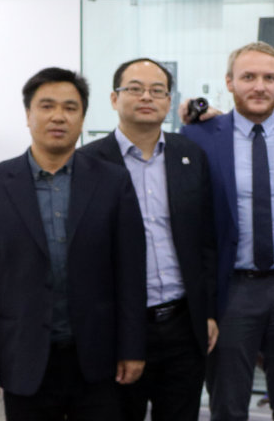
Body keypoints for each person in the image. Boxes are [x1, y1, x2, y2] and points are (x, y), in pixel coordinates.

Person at [0, 67, 146, 420]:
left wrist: (132, 347)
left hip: (98, 358)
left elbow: (131, 273)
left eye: (70, 107)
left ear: (82, 118)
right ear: (28, 115)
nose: (58, 117)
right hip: (23, 357)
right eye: (46, 106)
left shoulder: (113, 183)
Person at [182, 43, 274, 421]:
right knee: (228, 405)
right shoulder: (198, 137)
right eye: (248, 77)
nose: (259, 86)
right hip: (231, 290)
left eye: (269, 77)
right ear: (229, 82)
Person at [81, 58, 218, 421]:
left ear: (169, 102)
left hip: (182, 323)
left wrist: (206, 312)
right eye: (135, 89)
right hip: (119, 327)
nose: (147, 97)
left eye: (157, 91)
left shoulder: (190, 155)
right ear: (114, 99)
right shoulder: (87, 164)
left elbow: (206, 241)